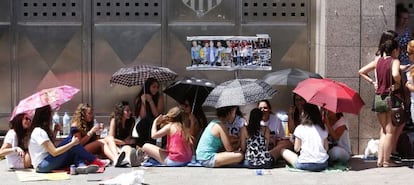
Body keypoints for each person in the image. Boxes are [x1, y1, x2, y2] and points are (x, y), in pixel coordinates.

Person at [359, 38, 401, 167]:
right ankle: (386, 161)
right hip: (390, 98)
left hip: (378, 98)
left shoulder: (378, 61)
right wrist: (398, 82)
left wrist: (373, 83)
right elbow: (395, 74)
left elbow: (361, 71)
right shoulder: (394, 61)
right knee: (390, 131)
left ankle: (380, 161)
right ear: (394, 50)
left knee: (383, 130)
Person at [28, 105, 108, 173]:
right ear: (45, 116)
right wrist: (72, 143)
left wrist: (55, 131)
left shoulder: (40, 131)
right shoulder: (39, 131)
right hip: (42, 165)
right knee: (71, 141)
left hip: (46, 162)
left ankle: (81, 165)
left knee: (73, 145)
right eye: (51, 114)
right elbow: (54, 152)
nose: (52, 117)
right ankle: (94, 161)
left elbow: (50, 146)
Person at [280, 103, 329, 172]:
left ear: (304, 114)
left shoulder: (300, 128)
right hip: (322, 164)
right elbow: (326, 148)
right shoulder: (322, 128)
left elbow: (296, 149)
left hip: (304, 164)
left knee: (283, 151)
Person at [109, 101, 143, 167]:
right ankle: (129, 159)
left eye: (130, 110)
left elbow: (129, 135)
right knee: (124, 148)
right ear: (121, 111)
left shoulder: (131, 121)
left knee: (127, 148)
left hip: (125, 144)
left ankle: (131, 160)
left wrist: (130, 140)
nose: (129, 112)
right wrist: (124, 142)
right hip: (116, 144)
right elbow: (110, 139)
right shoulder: (114, 120)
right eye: (127, 111)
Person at [135, 77, 164, 147]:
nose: (156, 89)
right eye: (153, 87)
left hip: (155, 122)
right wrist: (143, 103)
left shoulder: (159, 97)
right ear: (148, 87)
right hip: (144, 124)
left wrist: (151, 101)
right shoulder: (139, 98)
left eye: (157, 87)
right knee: (142, 125)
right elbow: (143, 116)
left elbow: (157, 115)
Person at [396, 3, 412, 68]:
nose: (405, 21)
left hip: (407, 60)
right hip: (396, 61)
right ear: (398, 18)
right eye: (403, 18)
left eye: (407, 18)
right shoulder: (394, 30)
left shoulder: (408, 31)